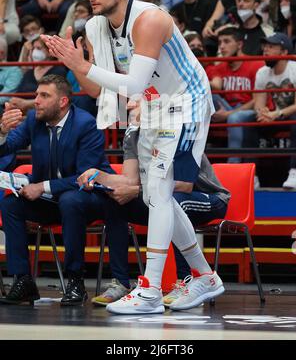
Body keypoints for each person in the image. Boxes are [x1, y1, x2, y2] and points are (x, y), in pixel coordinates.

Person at [42, 0, 224, 315]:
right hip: (156, 103)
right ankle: (203, 274)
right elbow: (97, 89)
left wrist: (82, 66)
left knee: (157, 190)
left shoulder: (149, 19)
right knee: (160, 193)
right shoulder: (97, 28)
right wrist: (75, 66)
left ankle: (152, 289)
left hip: (186, 100)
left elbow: (135, 84)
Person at [77, 103, 230, 308]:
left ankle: (186, 282)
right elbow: (130, 181)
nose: (130, 104)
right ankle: (121, 282)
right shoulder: (133, 135)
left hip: (208, 197)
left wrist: (138, 191)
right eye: (129, 100)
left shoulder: (175, 126)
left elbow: (184, 184)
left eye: (136, 100)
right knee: (114, 203)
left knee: (174, 201)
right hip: (160, 193)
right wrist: (99, 175)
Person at [0, 74, 113, 306]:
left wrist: (41, 187)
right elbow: (8, 147)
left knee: (70, 200)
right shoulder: (34, 120)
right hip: (53, 200)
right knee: (11, 204)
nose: (36, 101)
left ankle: (75, 281)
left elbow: (84, 178)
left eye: (44, 95)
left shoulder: (85, 124)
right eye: (36, 95)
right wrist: (2, 132)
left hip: (90, 198)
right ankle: (23, 281)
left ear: (62, 102)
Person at [244, 33, 296, 190]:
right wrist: (263, 114)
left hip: (291, 114)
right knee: (249, 121)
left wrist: (276, 114)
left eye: (271, 47)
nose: (265, 50)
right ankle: (251, 174)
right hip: (276, 116)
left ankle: (295, 171)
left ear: (283, 53)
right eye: (265, 47)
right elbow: (259, 103)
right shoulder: (262, 72)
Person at [208, 26, 264, 163]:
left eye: (227, 42)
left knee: (235, 117)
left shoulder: (256, 64)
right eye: (220, 42)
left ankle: (233, 166)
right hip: (228, 108)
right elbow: (215, 86)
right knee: (210, 96)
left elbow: (257, 100)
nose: (222, 47)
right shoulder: (219, 67)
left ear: (239, 44)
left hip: (249, 109)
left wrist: (228, 115)